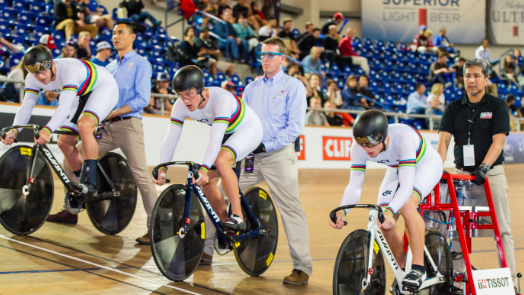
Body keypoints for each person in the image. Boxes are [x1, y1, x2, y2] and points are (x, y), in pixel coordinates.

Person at [52, 22, 160, 247]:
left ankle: (156, 228)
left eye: (120, 32)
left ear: (132, 37)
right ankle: (71, 208)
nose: (115, 36)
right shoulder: (108, 67)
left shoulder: (141, 63)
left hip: (128, 125)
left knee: (141, 176)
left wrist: (112, 113)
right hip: (106, 127)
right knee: (71, 155)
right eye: (113, 33)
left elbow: (142, 99)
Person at [225, 37, 312, 285]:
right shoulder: (251, 88)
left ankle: (302, 266)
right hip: (252, 156)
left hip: (278, 155)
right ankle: (208, 249)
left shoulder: (294, 86)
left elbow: (294, 128)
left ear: (283, 59)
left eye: (270, 55)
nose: (265, 59)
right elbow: (243, 122)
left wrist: (267, 144)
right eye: (262, 54)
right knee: (224, 192)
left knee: (290, 208)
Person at [331, 109, 444, 291]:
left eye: (370, 143)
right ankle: (403, 272)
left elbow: (406, 186)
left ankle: (418, 268)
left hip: (426, 164)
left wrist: (392, 209)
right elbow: (354, 185)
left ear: (383, 137)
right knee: (382, 220)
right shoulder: (359, 148)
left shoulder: (403, 138)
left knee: (407, 206)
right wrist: (342, 210)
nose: (366, 149)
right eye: (362, 143)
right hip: (397, 167)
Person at [1, 45, 119, 209]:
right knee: (64, 143)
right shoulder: (33, 78)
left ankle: (92, 183)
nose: (40, 76)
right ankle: (81, 185)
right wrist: (15, 129)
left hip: (103, 88)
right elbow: (27, 105)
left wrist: (48, 130)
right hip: (81, 93)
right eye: (34, 72)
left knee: (84, 126)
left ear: (50, 63)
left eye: (43, 70)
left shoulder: (68, 70)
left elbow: (64, 107)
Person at [437, 58, 516, 290]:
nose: (471, 80)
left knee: (502, 228)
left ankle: (510, 282)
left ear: (486, 79)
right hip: (461, 176)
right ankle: (459, 281)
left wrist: (484, 166)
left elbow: (499, 141)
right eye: (468, 76)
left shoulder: (497, 105)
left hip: (491, 175)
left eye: (477, 76)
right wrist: (434, 168)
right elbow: (443, 140)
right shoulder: (453, 107)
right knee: (456, 229)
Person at [156, 64, 263, 236]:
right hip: (228, 133)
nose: (186, 101)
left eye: (189, 94)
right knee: (205, 182)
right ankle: (224, 227)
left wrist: (205, 168)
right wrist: (162, 166)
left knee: (221, 162)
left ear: (201, 90)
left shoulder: (220, 99)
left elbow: (216, 138)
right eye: (181, 96)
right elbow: (171, 138)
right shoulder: (180, 106)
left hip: (249, 129)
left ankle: (238, 216)